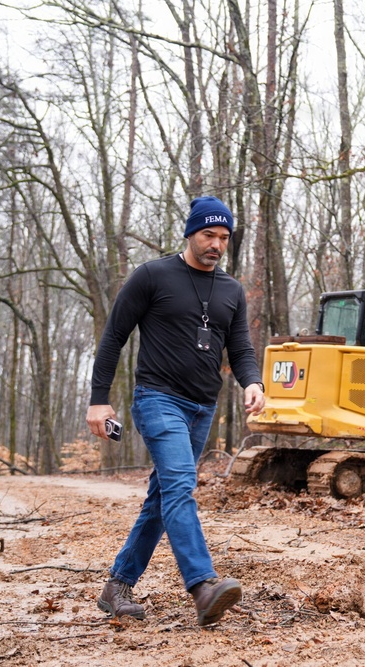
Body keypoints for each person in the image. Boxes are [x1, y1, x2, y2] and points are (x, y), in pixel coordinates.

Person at [86, 196, 266, 627]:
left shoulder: (231, 290)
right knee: (181, 485)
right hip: (158, 399)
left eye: (224, 238)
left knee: (162, 497)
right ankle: (203, 586)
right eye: (208, 235)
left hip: (203, 407)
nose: (216, 245)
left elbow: (239, 348)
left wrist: (253, 381)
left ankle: (117, 586)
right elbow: (114, 337)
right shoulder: (152, 276)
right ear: (190, 232)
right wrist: (98, 398)